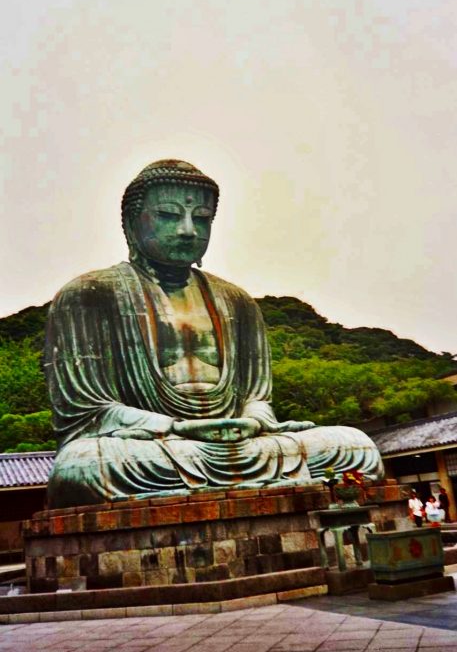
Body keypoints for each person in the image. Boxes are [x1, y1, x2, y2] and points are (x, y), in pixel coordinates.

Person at [45, 159, 384, 508]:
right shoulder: (89, 295)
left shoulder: (236, 301)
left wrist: (253, 421)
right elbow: (90, 411)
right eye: (169, 215)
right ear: (132, 223)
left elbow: (256, 397)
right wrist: (175, 427)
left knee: (355, 446)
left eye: (202, 218)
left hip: (242, 443)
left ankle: (223, 480)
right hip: (155, 444)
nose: (189, 229)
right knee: (84, 465)